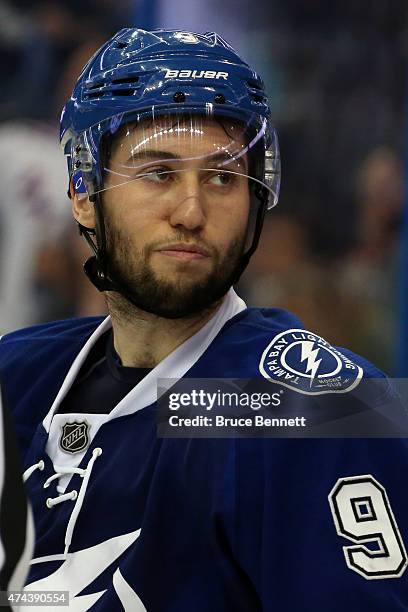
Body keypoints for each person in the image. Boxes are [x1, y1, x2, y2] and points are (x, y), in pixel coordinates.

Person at [0, 28, 407, 611]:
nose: (191, 212)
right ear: (84, 192)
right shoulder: (19, 376)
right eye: (158, 173)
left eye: (223, 178)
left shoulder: (308, 407)